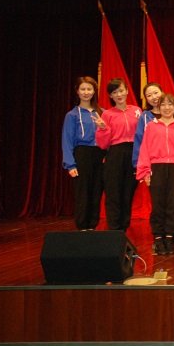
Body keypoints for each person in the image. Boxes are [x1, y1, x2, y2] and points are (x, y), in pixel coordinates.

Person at [136, 94, 174, 255]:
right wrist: (145, 171)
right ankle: (158, 238)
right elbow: (144, 148)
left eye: (170, 104)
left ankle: (170, 238)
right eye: (163, 104)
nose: (166, 108)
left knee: (173, 204)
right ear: (159, 107)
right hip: (156, 168)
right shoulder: (152, 126)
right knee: (158, 204)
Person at [95, 78, 142, 232]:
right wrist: (103, 128)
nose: (119, 95)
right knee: (113, 193)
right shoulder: (107, 114)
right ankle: (114, 230)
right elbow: (103, 144)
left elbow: (143, 134)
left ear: (127, 91)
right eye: (115, 92)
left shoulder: (137, 111)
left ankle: (124, 229)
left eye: (121, 91)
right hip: (115, 153)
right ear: (110, 95)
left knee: (128, 193)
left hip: (133, 153)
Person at [61, 76, 105, 232]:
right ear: (77, 91)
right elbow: (67, 140)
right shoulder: (72, 115)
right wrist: (70, 164)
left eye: (89, 89)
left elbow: (109, 136)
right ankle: (82, 226)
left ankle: (92, 225)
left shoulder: (103, 113)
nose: (86, 92)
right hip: (82, 153)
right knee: (83, 191)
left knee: (96, 191)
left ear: (94, 91)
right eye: (83, 89)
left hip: (99, 154)